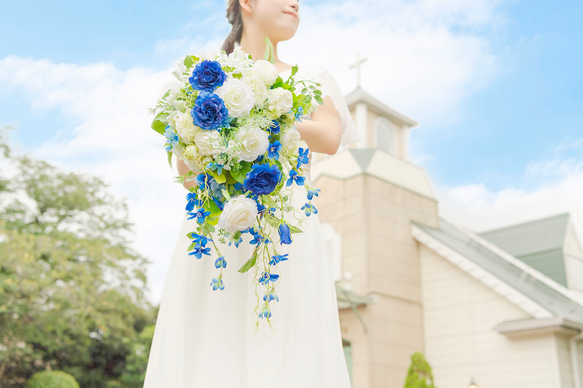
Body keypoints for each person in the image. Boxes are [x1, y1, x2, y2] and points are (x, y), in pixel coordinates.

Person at [144, 0, 360, 387]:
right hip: (218, 227)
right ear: (246, 2)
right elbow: (185, 171)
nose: (296, 3)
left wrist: (260, 109)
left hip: (285, 230)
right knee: (211, 340)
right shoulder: (202, 81)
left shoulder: (310, 76)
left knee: (287, 339)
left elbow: (329, 137)